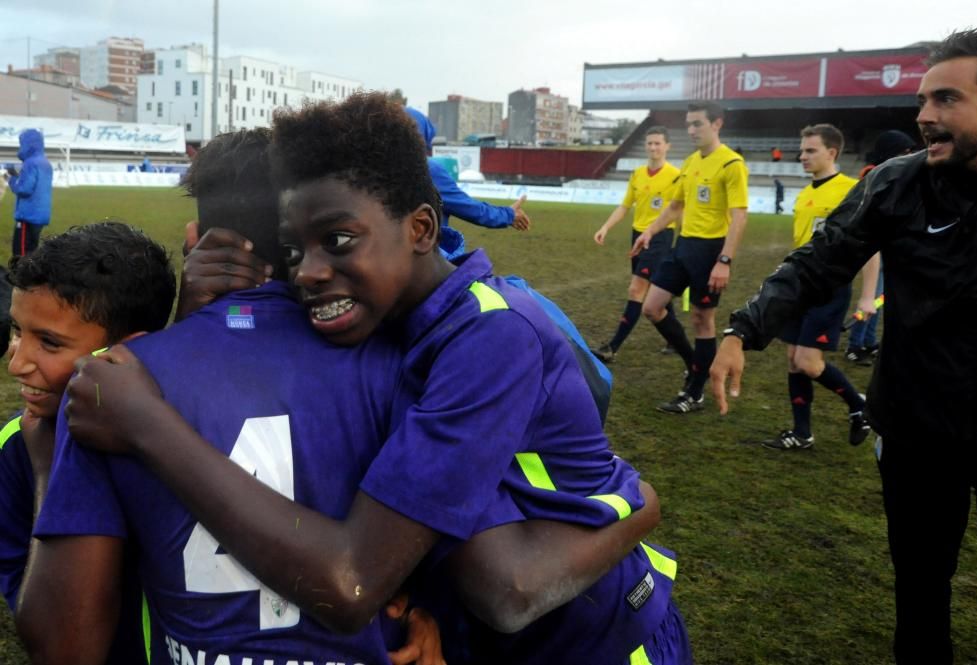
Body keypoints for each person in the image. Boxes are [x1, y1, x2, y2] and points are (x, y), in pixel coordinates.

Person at [35, 121, 685, 664]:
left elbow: (490, 584)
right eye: (296, 250)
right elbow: (593, 395)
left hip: (598, 634)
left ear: (422, 229)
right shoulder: (392, 337)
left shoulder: (492, 334)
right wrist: (204, 325)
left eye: (338, 240)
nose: (313, 271)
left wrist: (640, 505)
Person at [710, 27, 977, 664]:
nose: (924, 116)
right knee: (921, 591)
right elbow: (816, 263)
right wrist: (743, 329)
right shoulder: (898, 183)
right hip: (918, 428)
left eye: (946, 100)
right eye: (923, 100)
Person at [0, 222, 178, 664]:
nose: (16, 362)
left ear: (127, 349)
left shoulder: (186, 435)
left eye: (49, 342)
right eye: (17, 331)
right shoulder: (16, 447)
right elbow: (47, 634)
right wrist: (47, 474)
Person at [632, 100, 749, 414]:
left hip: (710, 251)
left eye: (697, 123)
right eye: (689, 124)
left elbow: (739, 217)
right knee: (652, 307)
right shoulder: (689, 163)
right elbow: (674, 207)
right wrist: (650, 232)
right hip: (682, 246)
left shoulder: (731, 164)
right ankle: (693, 362)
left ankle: (695, 392)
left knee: (702, 320)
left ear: (717, 124)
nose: (692, 130)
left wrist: (724, 261)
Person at [764, 124, 873, 451]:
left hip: (829, 289)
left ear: (832, 152)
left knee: (809, 362)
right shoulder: (805, 193)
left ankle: (859, 407)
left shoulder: (850, 190)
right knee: (793, 360)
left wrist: (868, 296)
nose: (802, 156)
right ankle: (801, 433)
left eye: (811, 150)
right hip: (798, 287)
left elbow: (869, 247)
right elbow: (802, 244)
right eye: (802, 150)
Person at [591, 125, 681, 363]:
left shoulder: (675, 175)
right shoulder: (637, 174)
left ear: (667, 146)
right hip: (637, 235)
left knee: (636, 289)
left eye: (658, 143)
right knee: (653, 288)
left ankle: (612, 347)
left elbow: (679, 210)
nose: (653, 147)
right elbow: (625, 206)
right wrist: (605, 227)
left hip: (660, 237)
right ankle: (673, 336)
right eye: (650, 143)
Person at [405, 107, 530, 260]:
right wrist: (508, 215)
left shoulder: (372, 171)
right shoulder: (427, 170)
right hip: (424, 265)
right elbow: (472, 209)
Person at [844, 129, 918, 366]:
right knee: (870, 297)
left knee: (879, 299)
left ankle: (868, 340)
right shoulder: (873, 175)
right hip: (875, 249)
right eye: (903, 152)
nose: (909, 156)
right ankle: (855, 345)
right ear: (889, 152)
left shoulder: (897, 175)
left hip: (891, 248)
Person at [6, 129, 53, 257]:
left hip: (28, 214)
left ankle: (19, 276)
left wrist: (11, 180)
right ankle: (31, 275)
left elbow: (24, 189)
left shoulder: (30, 163)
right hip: (40, 214)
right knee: (32, 250)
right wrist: (17, 176)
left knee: (20, 252)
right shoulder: (45, 162)